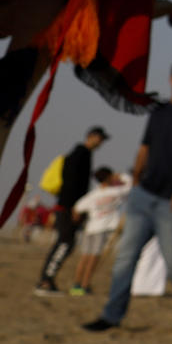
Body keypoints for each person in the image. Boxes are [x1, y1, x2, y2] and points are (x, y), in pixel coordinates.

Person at [84, 59, 172, 332]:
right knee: (125, 256)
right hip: (144, 195)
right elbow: (145, 147)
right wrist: (137, 181)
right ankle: (111, 315)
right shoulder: (160, 111)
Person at [36, 125, 108, 296]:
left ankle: (47, 280)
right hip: (68, 207)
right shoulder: (80, 154)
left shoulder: (83, 154)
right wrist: (75, 208)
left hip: (69, 207)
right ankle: (45, 282)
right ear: (91, 136)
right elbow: (71, 183)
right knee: (64, 243)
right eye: (100, 138)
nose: (101, 142)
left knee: (66, 243)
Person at [69, 168, 128, 296]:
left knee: (84, 257)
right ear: (109, 177)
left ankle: (76, 285)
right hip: (102, 229)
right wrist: (121, 176)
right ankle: (85, 285)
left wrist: (76, 221)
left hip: (90, 228)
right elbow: (132, 185)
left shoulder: (94, 194)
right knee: (94, 258)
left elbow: (77, 207)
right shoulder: (116, 192)